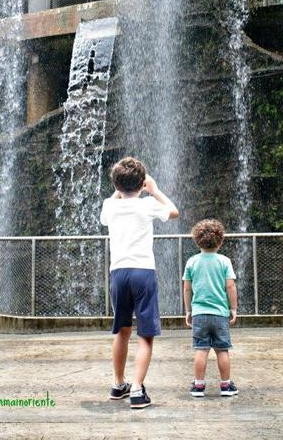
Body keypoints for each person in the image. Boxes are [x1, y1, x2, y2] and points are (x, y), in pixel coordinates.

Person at [100, 156, 179, 409]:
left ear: (116, 184)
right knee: (145, 334)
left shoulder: (109, 206)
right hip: (143, 272)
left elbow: (106, 214)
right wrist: (154, 191)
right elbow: (174, 212)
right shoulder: (148, 205)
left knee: (121, 330)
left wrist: (117, 190)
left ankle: (117, 383)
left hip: (118, 273)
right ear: (142, 183)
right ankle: (136, 390)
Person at [182, 218, 238, 397]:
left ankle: (198, 386)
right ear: (220, 241)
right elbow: (230, 286)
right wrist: (233, 309)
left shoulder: (192, 262)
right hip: (220, 314)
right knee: (222, 349)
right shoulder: (224, 261)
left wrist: (189, 311)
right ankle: (226, 385)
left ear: (196, 240)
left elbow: (187, 287)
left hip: (199, 313)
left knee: (201, 349)